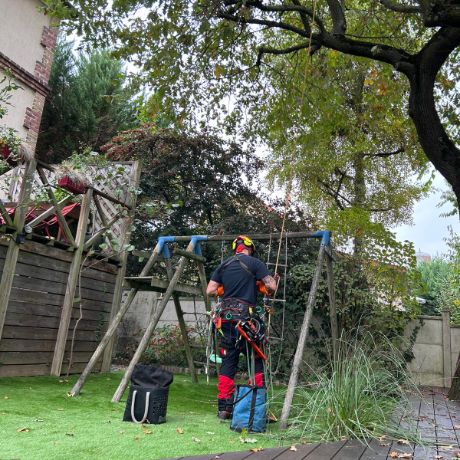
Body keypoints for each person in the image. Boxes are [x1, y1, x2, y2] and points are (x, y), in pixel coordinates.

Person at [206, 235, 278, 420]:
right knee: (256, 360)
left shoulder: (224, 265)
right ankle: (257, 405)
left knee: (228, 362)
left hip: (226, 322)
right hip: (246, 322)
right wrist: (263, 283)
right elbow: (271, 286)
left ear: (235, 248)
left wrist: (224, 289)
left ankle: (225, 408)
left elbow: (210, 290)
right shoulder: (255, 263)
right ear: (250, 248)